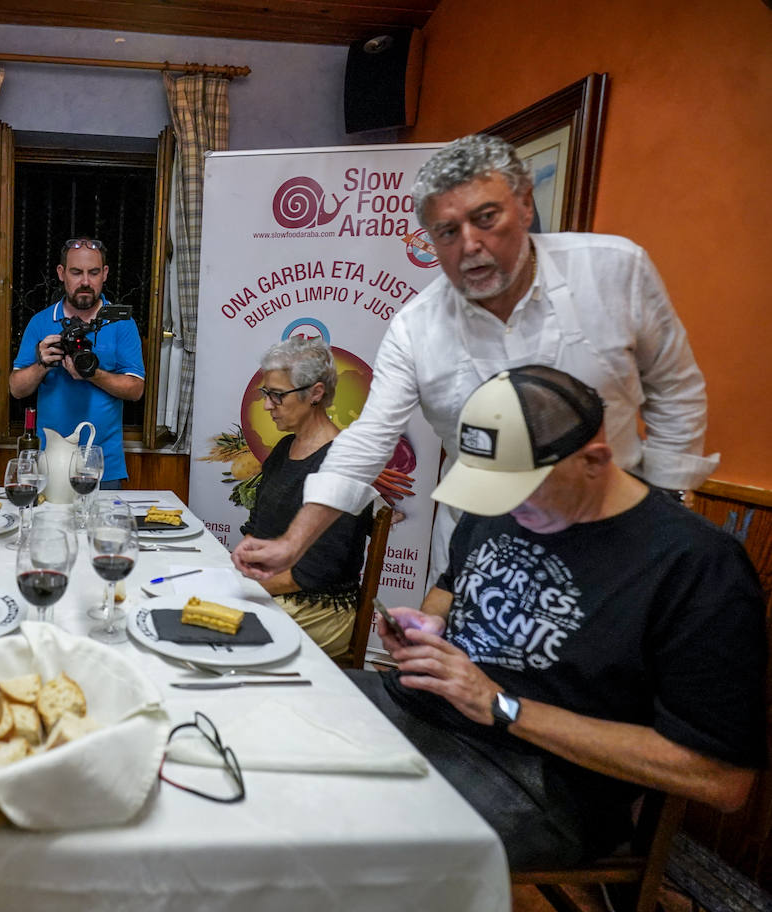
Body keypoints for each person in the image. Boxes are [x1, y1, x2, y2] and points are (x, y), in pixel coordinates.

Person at [232, 134, 716, 586]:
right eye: (446, 231)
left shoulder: (615, 270)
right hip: (482, 540)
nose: (470, 246)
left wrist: (666, 507)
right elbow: (367, 442)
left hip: (614, 531)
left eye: (486, 218)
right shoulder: (415, 328)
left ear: (525, 204)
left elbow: (675, 390)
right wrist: (293, 543)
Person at [348, 365, 765, 868]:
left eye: (522, 494)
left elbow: (721, 778)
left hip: (540, 782)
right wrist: (429, 629)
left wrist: (503, 706)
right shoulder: (499, 500)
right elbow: (450, 590)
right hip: (423, 710)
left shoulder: (695, 565)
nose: (508, 509)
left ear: (594, 460)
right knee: (269, 719)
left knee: (341, 841)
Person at [239, 338, 372, 655]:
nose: (268, 405)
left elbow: (315, 572)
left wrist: (241, 587)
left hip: (322, 609)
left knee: (220, 634)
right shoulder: (285, 449)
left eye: (277, 395)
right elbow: (258, 525)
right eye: (266, 393)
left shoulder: (342, 463)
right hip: (277, 590)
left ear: (316, 393)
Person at [8, 238, 144, 487]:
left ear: (104, 274)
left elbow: (135, 390)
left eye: (93, 273)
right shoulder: (41, 322)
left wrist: (92, 374)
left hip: (103, 464)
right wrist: (42, 364)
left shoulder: (121, 323)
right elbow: (17, 388)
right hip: (50, 462)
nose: (85, 282)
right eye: (76, 272)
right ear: (61, 274)